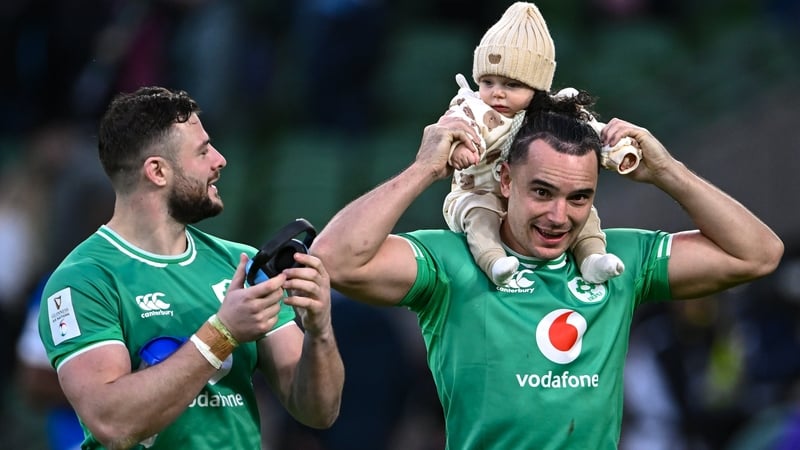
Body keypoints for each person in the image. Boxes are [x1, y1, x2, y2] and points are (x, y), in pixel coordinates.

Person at [310, 89, 784, 447]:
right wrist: (424, 170)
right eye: (542, 192)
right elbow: (334, 259)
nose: (560, 216)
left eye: (579, 198)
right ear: (504, 178)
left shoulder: (619, 263)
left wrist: (666, 171)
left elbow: (758, 253)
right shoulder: (451, 260)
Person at [37, 86, 344, 450]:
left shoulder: (238, 264)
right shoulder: (82, 281)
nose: (220, 160)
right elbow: (112, 422)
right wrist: (223, 333)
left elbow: (319, 411)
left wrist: (319, 330)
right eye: (202, 151)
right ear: (157, 171)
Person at [442, 2, 626, 285]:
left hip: (527, 199)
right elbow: (454, 129)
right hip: (477, 192)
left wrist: (619, 151)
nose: (497, 94)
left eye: (511, 85)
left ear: (536, 88)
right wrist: (459, 149)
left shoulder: (552, 114)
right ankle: (494, 262)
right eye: (488, 82)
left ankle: (592, 258)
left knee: (583, 211)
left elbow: (593, 134)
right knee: (480, 215)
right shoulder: (473, 108)